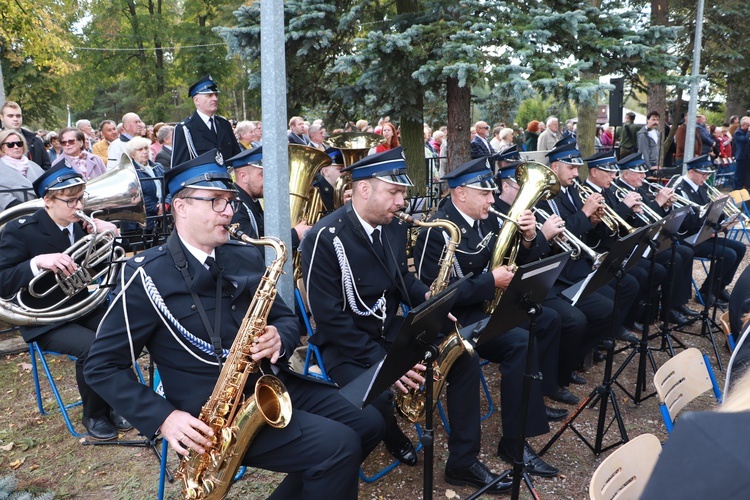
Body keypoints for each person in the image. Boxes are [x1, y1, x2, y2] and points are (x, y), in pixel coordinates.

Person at [83, 150, 385, 498]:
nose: (228, 211)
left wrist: (280, 338)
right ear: (181, 206)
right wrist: (164, 418)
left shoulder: (243, 253)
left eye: (229, 201)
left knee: (369, 424)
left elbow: (285, 317)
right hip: (212, 420)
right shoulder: (144, 276)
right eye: (215, 202)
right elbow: (102, 366)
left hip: (270, 387)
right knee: (338, 446)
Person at [301, 148, 512, 493]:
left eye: (402, 193)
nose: (402, 202)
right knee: (380, 396)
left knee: (464, 355)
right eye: (394, 193)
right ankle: (391, 433)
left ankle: (463, 461)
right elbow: (329, 318)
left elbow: (401, 277)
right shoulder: (325, 238)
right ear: (364, 189)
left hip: (390, 329)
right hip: (346, 344)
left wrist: (428, 298)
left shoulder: (393, 226)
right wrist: (386, 365)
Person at [414, 157, 567, 479]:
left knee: (535, 329)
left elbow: (514, 263)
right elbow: (434, 294)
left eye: (491, 193)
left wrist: (528, 239)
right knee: (512, 346)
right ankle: (486, 451)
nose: (492, 199)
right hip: (453, 322)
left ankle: (516, 437)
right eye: (484, 193)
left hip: (482, 314)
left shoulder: (485, 221)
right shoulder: (438, 229)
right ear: (460, 194)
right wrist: (489, 282)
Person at [0, 163, 129, 440]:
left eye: (81, 198)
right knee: (93, 348)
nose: (78, 205)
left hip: (80, 306)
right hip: (45, 319)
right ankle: (94, 414)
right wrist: (36, 263)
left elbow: (95, 268)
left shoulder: (82, 226)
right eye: (70, 200)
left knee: (123, 332)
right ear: (47, 201)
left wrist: (106, 236)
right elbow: (3, 279)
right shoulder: (21, 230)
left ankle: (119, 401)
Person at [673, 155, 746, 307]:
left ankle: (720, 287)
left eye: (708, 174)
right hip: (688, 238)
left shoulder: (701, 187)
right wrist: (711, 209)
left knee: (740, 247)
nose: (706, 178)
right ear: (692, 171)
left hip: (703, 234)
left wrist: (721, 211)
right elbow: (686, 223)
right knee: (729, 255)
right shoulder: (680, 189)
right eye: (703, 174)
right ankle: (707, 291)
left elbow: (710, 218)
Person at [224, 147, 310, 251]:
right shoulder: (236, 207)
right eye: (263, 174)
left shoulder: (252, 200)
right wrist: (295, 235)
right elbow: (252, 252)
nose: (269, 180)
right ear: (243, 177)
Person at [172, 75, 241, 168]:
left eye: (216, 95)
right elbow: (178, 168)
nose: (215, 99)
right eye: (209, 95)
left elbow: (237, 157)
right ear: (196, 100)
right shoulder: (185, 129)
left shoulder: (224, 124)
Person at [120, 137, 165, 237]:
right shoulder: (129, 172)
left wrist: (166, 204)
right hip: (140, 224)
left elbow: (168, 187)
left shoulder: (158, 166)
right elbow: (134, 196)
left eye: (146, 148)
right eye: (140, 150)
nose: (145, 152)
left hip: (161, 220)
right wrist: (155, 208)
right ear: (132, 154)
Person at [0, 130, 45, 210]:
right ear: (1, 148)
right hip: (12, 217)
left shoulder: (34, 166)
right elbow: (6, 201)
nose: (16, 147)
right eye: (10, 145)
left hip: (42, 213)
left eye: (19, 143)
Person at [0, 101, 51, 170]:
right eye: (10, 116)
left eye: (18, 116)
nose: (15, 119)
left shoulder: (36, 141)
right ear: (1, 117)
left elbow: (47, 167)